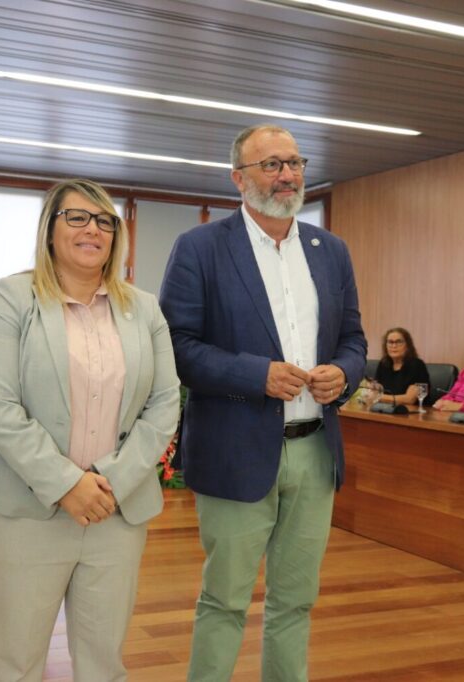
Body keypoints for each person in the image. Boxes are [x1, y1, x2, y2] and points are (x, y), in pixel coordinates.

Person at [159, 123, 366, 681]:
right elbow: (176, 347)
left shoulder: (331, 251)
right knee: (225, 599)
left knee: (296, 599)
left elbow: (354, 340)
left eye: (295, 163)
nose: (287, 175)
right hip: (236, 450)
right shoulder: (200, 247)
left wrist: (342, 375)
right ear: (238, 178)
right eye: (271, 164)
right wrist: (257, 375)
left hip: (315, 450)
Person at [0, 179, 180, 681]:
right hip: (26, 513)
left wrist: (111, 481)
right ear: (50, 229)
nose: (93, 230)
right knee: (15, 663)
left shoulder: (144, 308)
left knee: (103, 663)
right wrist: (67, 484)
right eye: (78, 217)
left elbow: (166, 401)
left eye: (105, 221)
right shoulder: (13, 297)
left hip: (115, 511)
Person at [374, 327, 430, 407]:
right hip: (386, 410)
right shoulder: (383, 364)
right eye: (390, 342)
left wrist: (378, 397)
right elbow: (375, 390)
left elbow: (409, 399)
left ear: (407, 345)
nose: (394, 346)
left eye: (398, 342)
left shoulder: (417, 365)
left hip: (412, 414)